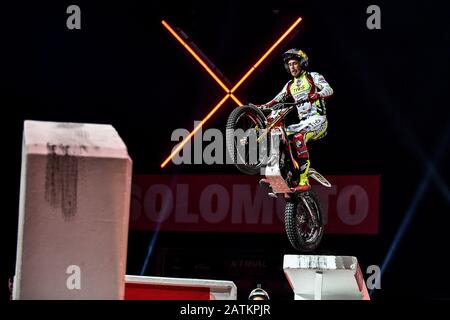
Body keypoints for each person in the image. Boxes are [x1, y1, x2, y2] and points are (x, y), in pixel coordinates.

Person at [259, 48, 333, 191]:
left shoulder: (312, 76)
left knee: (299, 138)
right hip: (303, 123)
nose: (292, 67)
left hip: (319, 120)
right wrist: (259, 107)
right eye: (290, 64)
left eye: (295, 63)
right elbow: (274, 101)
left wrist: (317, 95)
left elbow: (329, 89)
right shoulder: (290, 85)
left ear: (302, 63)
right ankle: (278, 176)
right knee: (277, 135)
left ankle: (304, 181)